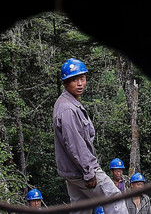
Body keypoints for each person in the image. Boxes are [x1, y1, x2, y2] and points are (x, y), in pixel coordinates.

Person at [53, 58, 125, 214]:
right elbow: (75, 144)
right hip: (82, 170)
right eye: (74, 80)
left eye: (82, 78)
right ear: (65, 83)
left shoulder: (69, 103)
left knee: (81, 208)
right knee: (115, 200)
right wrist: (89, 172)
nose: (79, 83)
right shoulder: (68, 109)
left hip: (73, 171)